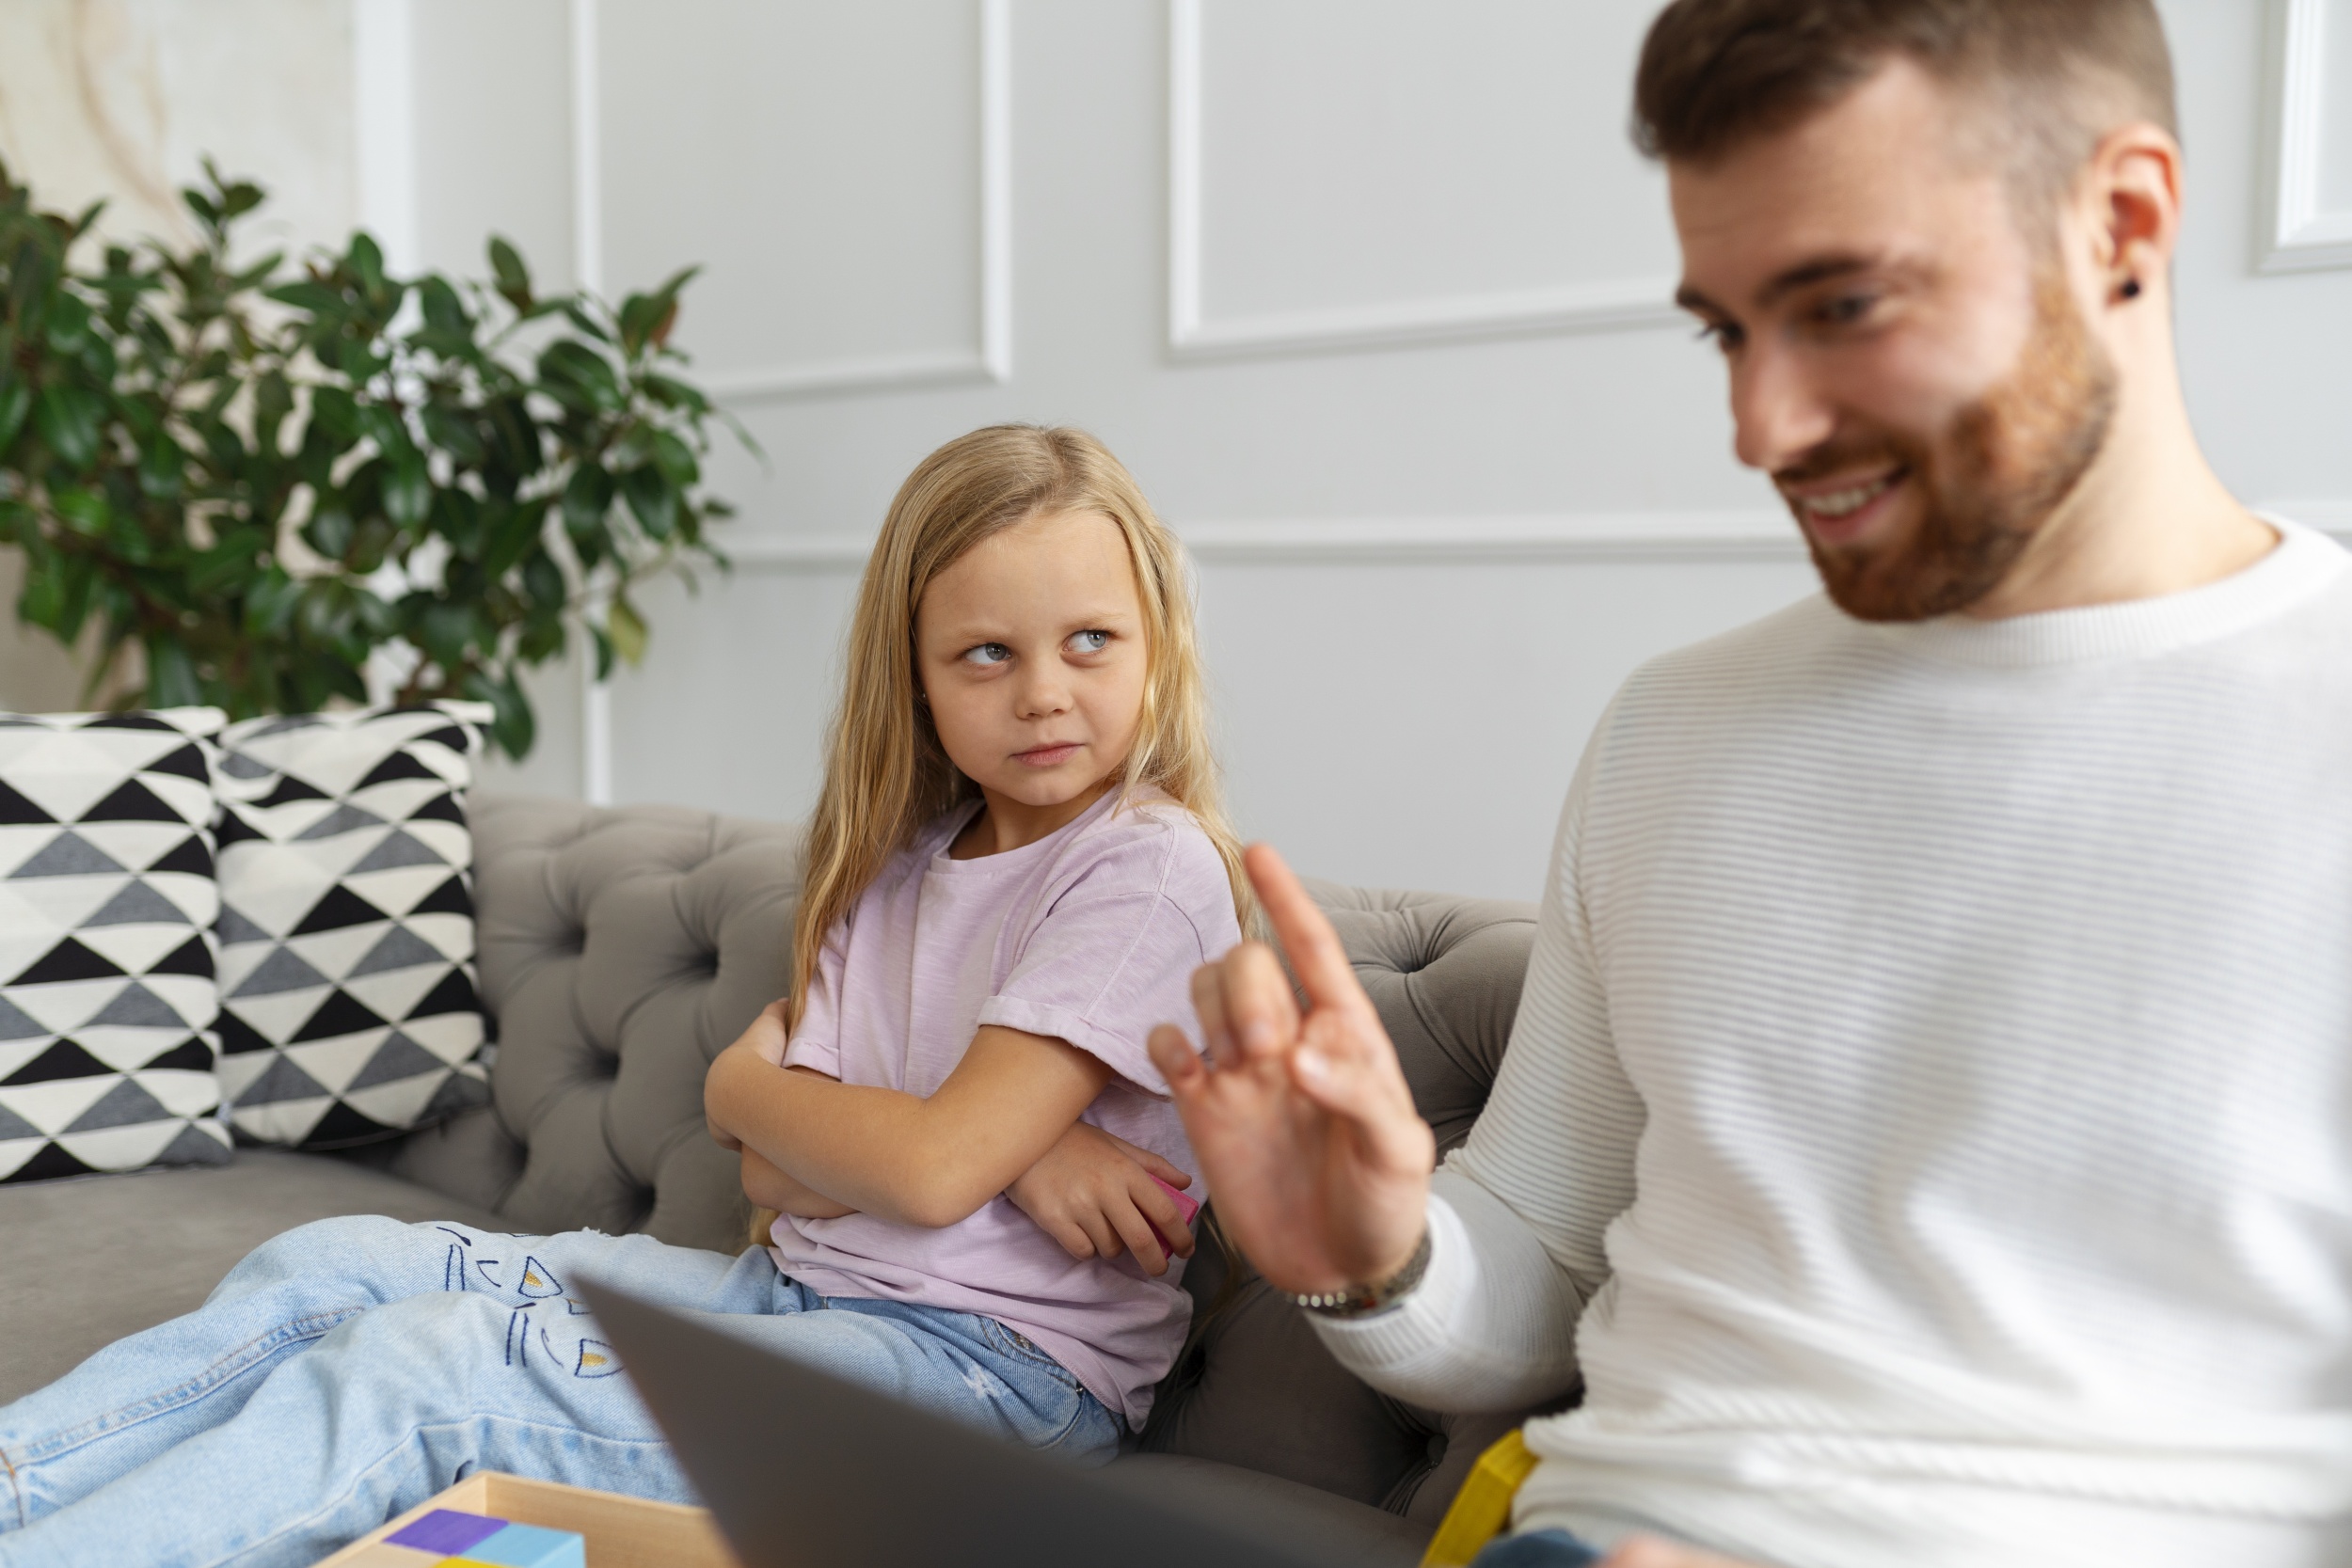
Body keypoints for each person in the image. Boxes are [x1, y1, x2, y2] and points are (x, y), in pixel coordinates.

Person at [1149, 4, 2352, 1567]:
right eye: (1726, 330)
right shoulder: (1676, 730)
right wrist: (1375, 1267)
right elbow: (1539, 1276)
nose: (1759, 426)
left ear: (2121, 222)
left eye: (1842, 306)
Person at [0, 424, 1248, 1568]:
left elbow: (909, 1171)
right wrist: (997, 1150)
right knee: (330, 1268)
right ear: (916, 675)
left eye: (1091, 640)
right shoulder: (897, 863)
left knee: (426, 1374)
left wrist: (759, 1088)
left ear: (1155, 642)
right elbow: (776, 1177)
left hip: (987, 1386)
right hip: (798, 1297)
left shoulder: (1141, 866)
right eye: (987, 653)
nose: (1043, 690)